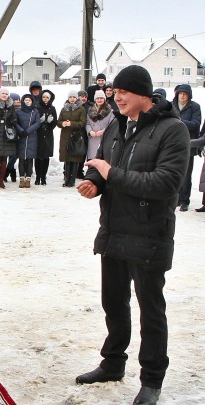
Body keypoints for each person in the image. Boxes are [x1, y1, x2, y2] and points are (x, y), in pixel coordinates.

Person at [76, 65, 189, 405]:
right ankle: (113, 363)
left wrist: (111, 174)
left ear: (144, 94)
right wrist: (95, 182)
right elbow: (101, 165)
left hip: (149, 235)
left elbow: (166, 183)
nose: (117, 96)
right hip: (114, 230)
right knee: (113, 302)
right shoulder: (116, 126)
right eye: (114, 91)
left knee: (150, 310)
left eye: (123, 92)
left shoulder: (173, 131)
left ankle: (152, 380)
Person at [172, 84, 202, 212]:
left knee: (186, 173)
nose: (182, 96)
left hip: (188, 144)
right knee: (173, 171)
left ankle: (184, 200)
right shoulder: (172, 105)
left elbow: (196, 124)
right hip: (173, 144)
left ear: (189, 95)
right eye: (180, 93)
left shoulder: (194, 107)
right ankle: (175, 198)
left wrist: (180, 121)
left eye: (185, 94)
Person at [57, 90, 86, 187]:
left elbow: (82, 123)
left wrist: (71, 123)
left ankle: (72, 180)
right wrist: (63, 123)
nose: (72, 99)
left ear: (77, 98)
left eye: (74, 97)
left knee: (75, 159)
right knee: (67, 159)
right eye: (70, 97)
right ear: (68, 98)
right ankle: (66, 179)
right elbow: (58, 122)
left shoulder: (81, 109)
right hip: (65, 136)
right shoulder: (64, 109)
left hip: (76, 137)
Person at [16, 94, 41, 188]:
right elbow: (15, 123)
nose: (27, 102)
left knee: (30, 160)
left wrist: (28, 131)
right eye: (26, 100)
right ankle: (22, 179)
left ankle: (28, 179)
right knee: (21, 159)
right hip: (21, 138)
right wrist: (21, 131)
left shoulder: (35, 112)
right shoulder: (18, 112)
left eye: (29, 100)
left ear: (32, 102)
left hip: (32, 138)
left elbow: (38, 123)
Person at [35, 89, 57, 185]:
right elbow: (34, 121)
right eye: (44, 97)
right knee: (38, 157)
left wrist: (50, 122)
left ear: (50, 99)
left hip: (48, 135)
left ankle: (43, 177)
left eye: (47, 97)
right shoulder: (37, 107)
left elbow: (55, 123)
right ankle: (37, 177)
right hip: (38, 135)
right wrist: (40, 121)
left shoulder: (52, 108)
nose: (45, 99)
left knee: (46, 157)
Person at [85, 90, 114, 160]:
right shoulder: (90, 110)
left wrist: (103, 131)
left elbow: (112, 124)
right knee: (92, 161)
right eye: (97, 98)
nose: (99, 100)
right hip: (93, 139)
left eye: (101, 98)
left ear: (104, 99)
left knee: (102, 160)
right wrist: (90, 131)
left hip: (105, 138)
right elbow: (87, 123)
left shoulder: (110, 111)